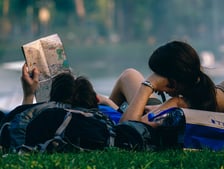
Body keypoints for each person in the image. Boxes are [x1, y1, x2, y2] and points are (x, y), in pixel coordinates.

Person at [108, 41, 224, 125]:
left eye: (157, 76)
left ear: (172, 83)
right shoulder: (203, 94)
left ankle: (101, 121)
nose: (157, 89)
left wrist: (148, 86)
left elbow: (129, 128)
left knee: (129, 75)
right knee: (129, 75)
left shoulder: (179, 103)